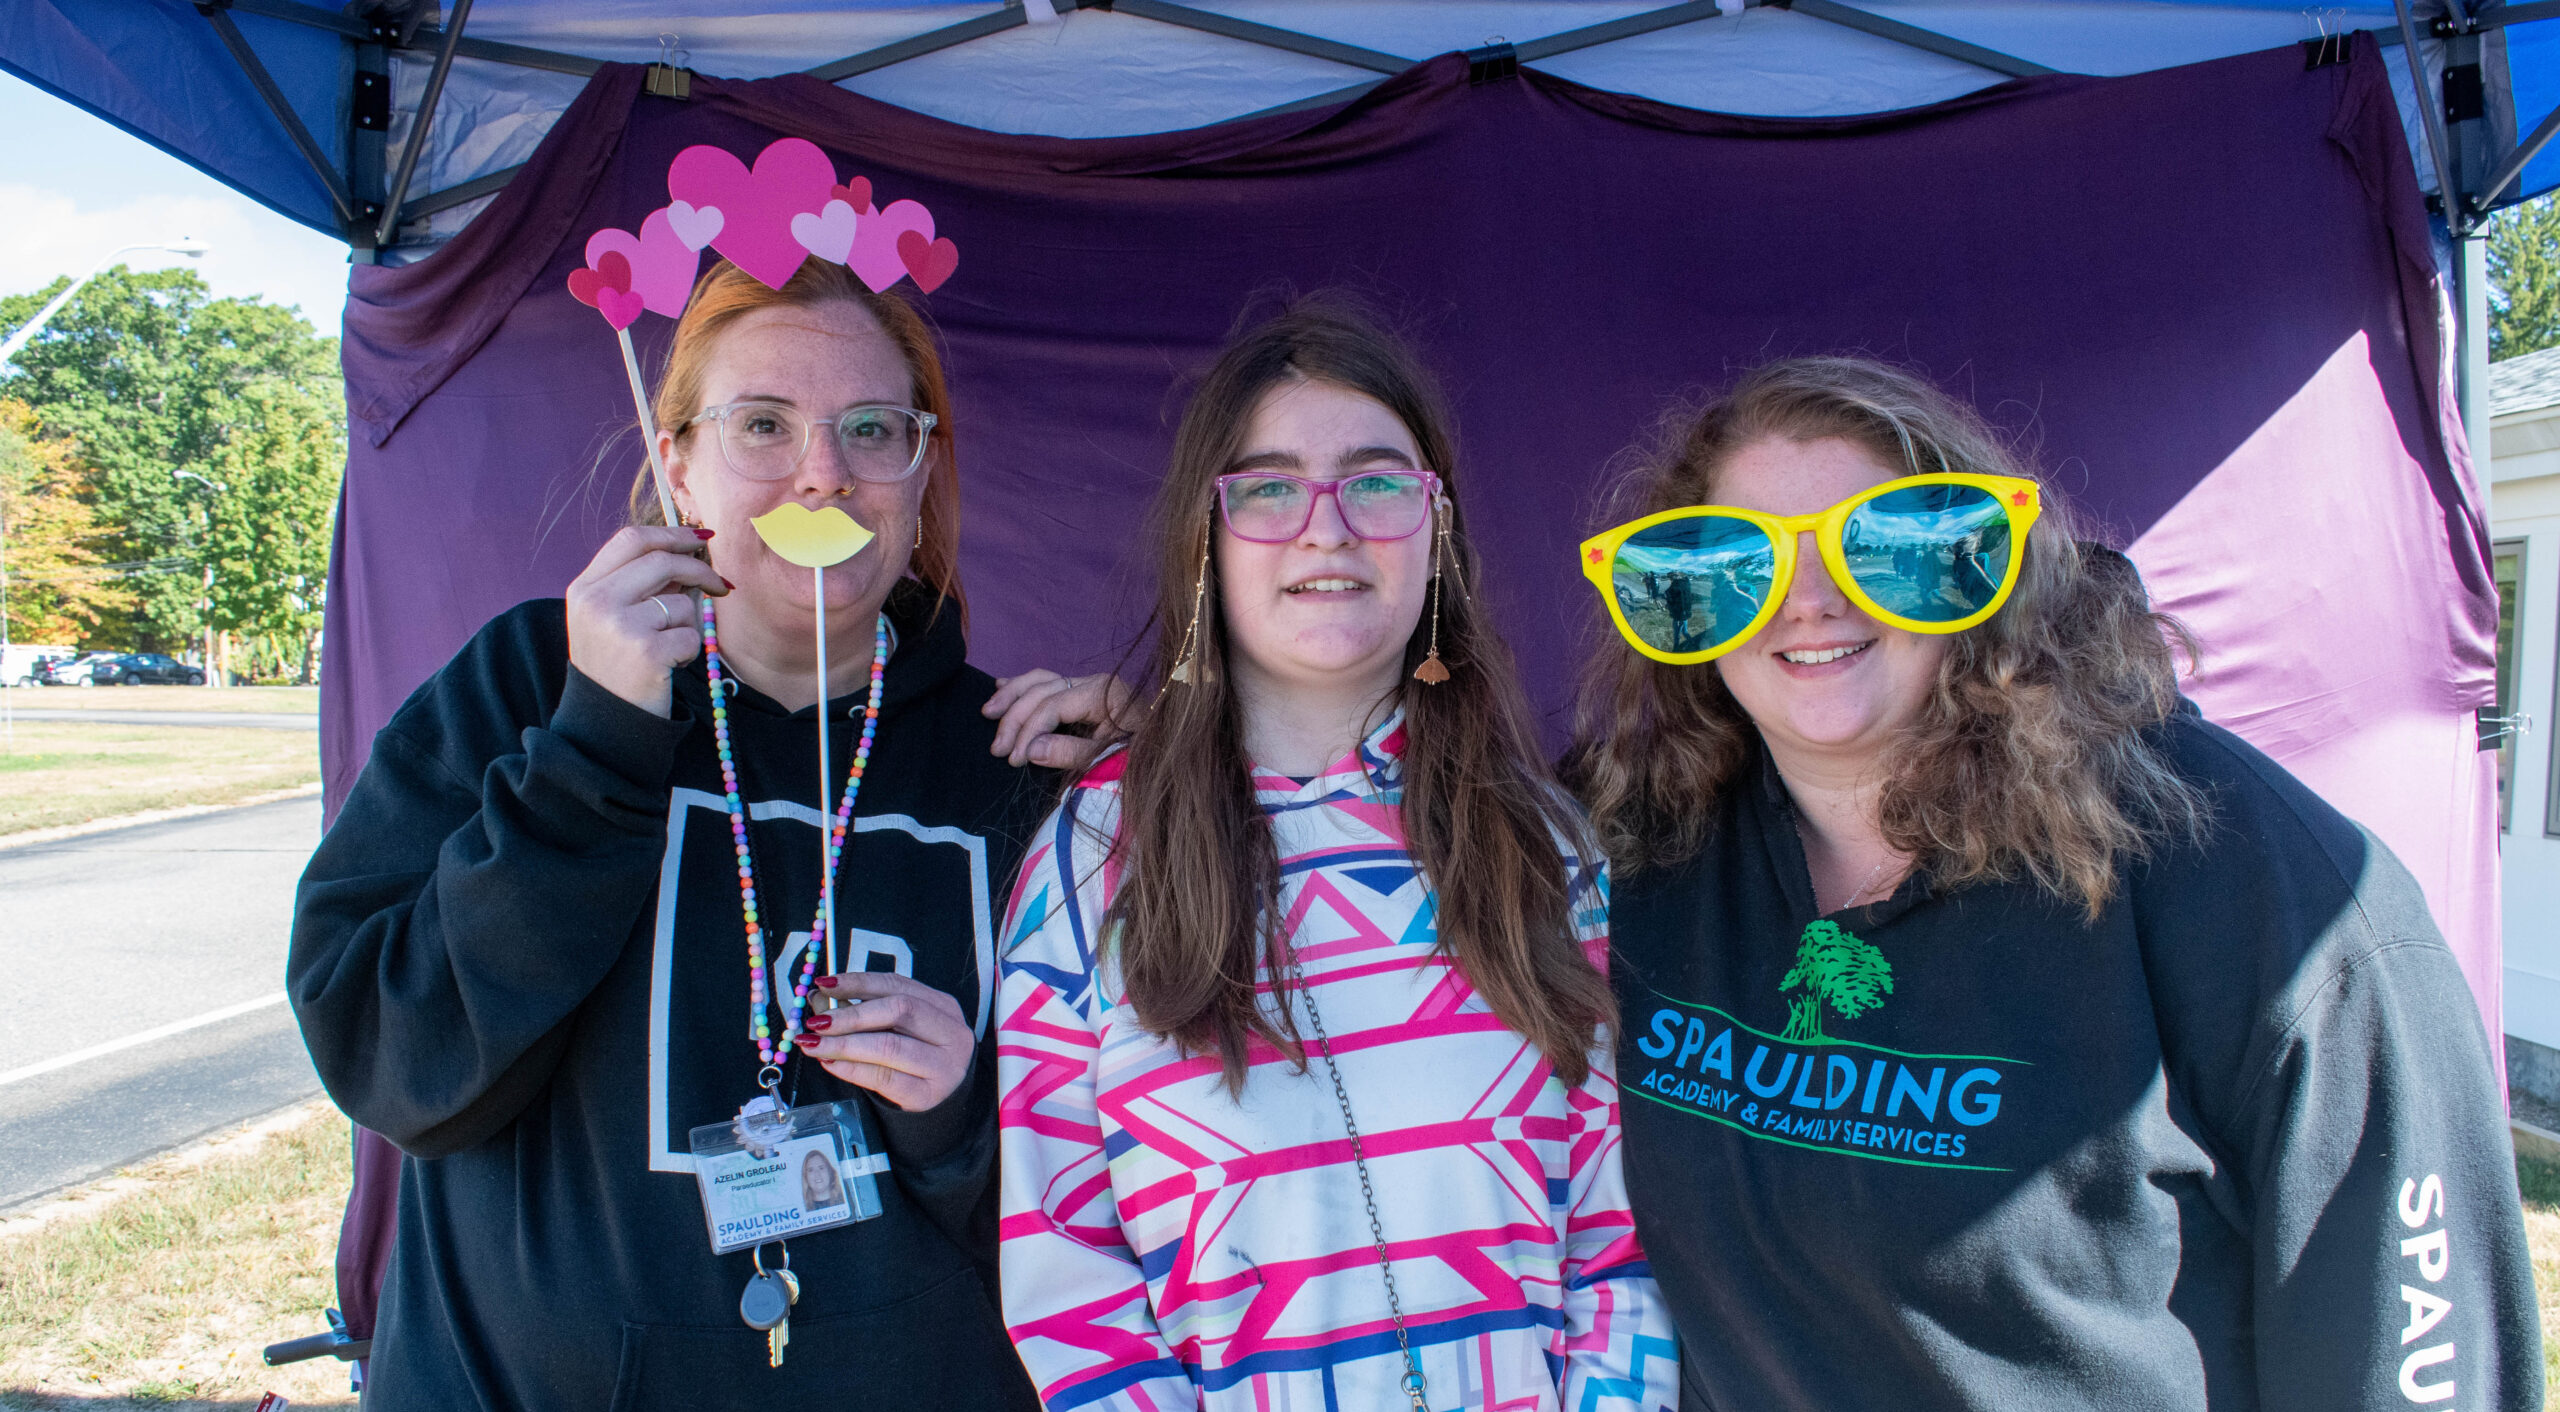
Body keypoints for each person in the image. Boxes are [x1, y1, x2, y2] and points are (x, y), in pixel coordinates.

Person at [1566, 356, 2541, 1410]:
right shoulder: (1640, 856)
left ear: (1986, 560)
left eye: (1884, 544)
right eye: (1734, 559)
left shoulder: (2244, 874)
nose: (1807, 599)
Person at [289, 257, 1068, 1409]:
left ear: (920, 472)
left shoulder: (1015, 758)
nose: (823, 471)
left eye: (871, 427)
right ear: (678, 462)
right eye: (763, 423)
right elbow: (393, 1063)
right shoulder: (526, 681)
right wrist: (593, 746)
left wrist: (962, 1108)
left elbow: (1111, 1195)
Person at [994, 300, 1678, 1411]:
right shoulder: (1090, 859)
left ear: (1437, 528)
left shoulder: (1545, 848)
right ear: (1205, 539)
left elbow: (1623, 1242)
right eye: (1267, 487)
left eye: (1376, 480)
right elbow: (1066, 1276)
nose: (1327, 526)